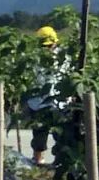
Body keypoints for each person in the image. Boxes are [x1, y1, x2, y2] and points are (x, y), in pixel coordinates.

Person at [26, 26, 70, 165]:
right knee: (39, 135)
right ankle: (38, 160)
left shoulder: (64, 58)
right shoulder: (34, 58)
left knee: (62, 136)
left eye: (50, 45)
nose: (48, 48)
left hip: (59, 103)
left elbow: (68, 78)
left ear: (55, 42)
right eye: (45, 46)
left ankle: (60, 162)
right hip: (38, 103)